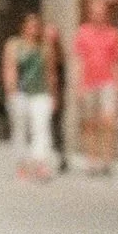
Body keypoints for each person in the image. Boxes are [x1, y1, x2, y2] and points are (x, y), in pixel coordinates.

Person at [2, 12, 54, 181]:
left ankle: (40, 162)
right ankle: (22, 163)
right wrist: (11, 90)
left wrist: (53, 93)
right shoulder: (14, 44)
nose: (33, 29)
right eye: (30, 25)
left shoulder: (44, 46)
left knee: (41, 127)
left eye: (36, 25)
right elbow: (9, 67)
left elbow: (50, 71)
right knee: (20, 129)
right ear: (23, 26)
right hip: (20, 92)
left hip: (40, 92)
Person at [73, 0, 118, 176]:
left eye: (101, 12)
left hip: (107, 82)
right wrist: (78, 86)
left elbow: (117, 62)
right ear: (91, 14)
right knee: (90, 123)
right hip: (88, 82)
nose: (98, 15)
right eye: (95, 12)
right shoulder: (83, 32)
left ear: (106, 14)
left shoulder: (113, 34)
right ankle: (92, 160)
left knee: (108, 122)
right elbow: (79, 61)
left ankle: (107, 160)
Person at [44, 22, 69, 173]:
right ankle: (48, 157)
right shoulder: (41, 52)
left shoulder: (59, 56)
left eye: (52, 35)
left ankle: (60, 156)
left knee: (56, 126)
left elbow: (60, 79)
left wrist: (57, 96)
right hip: (42, 93)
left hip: (56, 94)